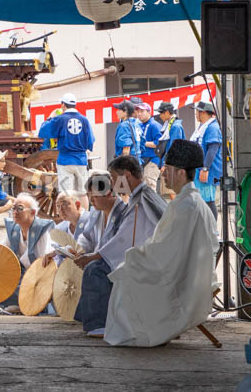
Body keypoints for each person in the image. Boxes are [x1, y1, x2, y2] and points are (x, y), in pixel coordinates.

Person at [104, 140, 217, 346]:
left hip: (181, 278)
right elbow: (167, 245)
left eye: (168, 170)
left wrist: (136, 255)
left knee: (127, 270)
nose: (163, 174)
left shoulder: (187, 206)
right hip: (184, 269)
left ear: (181, 173)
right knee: (127, 265)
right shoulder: (188, 202)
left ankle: (139, 332)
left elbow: (167, 252)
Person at [73, 155, 167, 337]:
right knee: (95, 265)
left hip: (147, 259)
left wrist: (93, 256)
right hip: (145, 253)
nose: (113, 185)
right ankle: (91, 320)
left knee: (96, 269)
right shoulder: (142, 196)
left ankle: (100, 324)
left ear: (127, 176)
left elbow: (123, 239)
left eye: (115, 179)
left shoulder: (142, 199)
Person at [37, 93, 95, 207]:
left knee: (66, 193)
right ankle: (85, 220)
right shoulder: (84, 120)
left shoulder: (60, 119)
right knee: (82, 193)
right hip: (81, 161)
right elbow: (90, 143)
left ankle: (68, 220)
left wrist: (50, 117)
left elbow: (43, 131)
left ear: (63, 105)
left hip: (65, 161)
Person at [2, 193, 54, 310]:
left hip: (40, 276)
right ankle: (17, 303)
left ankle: (29, 304)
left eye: (20, 208)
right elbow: (4, 253)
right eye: (13, 208)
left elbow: (44, 261)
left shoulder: (41, 230)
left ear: (33, 213)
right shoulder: (14, 229)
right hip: (22, 275)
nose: (15, 212)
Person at [191, 100, 223, 217]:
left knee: (208, 201)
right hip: (198, 169)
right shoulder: (202, 126)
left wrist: (205, 168)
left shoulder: (212, 127)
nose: (196, 114)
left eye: (197, 111)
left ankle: (212, 230)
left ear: (204, 113)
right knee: (200, 201)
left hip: (207, 170)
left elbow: (213, 149)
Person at [154, 102, 185, 198]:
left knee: (173, 192)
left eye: (161, 113)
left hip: (173, 165)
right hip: (171, 164)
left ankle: (178, 212)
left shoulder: (175, 126)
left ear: (167, 113)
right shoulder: (169, 125)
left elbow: (174, 147)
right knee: (171, 192)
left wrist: (166, 164)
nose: (160, 115)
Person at [135, 102, 163, 191]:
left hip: (153, 159)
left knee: (149, 185)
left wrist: (142, 143)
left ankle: (152, 205)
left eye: (142, 111)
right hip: (142, 159)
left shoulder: (155, 125)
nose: (139, 114)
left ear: (149, 112)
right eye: (138, 111)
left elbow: (158, 144)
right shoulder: (138, 125)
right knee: (142, 186)